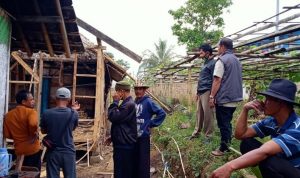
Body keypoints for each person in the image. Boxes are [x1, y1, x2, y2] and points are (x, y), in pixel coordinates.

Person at [211, 79, 300, 178]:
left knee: (269, 160)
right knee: (247, 143)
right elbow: (240, 135)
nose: (264, 102)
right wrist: (245, 109)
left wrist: (229, 166)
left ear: (282, 103)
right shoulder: (271, 121)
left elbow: (264, 151)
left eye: (268, 99)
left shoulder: (297, 128)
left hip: (295, 172)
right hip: (281, 165)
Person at [210, 37, 243, 156]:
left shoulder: (221, 60)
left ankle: (223, 149)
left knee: (223, 124)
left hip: (224, 98)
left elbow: (217, 80)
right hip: (234, 98)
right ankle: (228, 145)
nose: (218, 49)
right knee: (227, 123)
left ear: (223, 47)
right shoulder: (236, 60)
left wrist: (212, 96)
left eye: (218, 46)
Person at [40, 87, 79, 178]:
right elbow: (72, 129)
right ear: (68, 100)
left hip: (53, 151)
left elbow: (43, 131)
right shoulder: (74, 114)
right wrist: (73, 111)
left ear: (55, 98)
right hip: (68, 151)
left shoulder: (47, 113)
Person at [134, 84, 166, 178]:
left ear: (144, 90)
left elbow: (162, 113)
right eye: (136, 89)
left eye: (140, 89)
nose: (138, 91)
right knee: (136, 159)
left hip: (143, 136)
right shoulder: (135, 102)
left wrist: (151, 123)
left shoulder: (148, 102)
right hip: (134, 136)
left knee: (144, 161)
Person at [4, 90, 41, 171]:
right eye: (31, 100)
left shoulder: (8, 115)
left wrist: (17, 137)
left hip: (19, 149)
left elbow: (7, 134)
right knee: (33, 172)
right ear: (24, 102)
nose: (33, 101)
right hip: (32, 149)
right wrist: (33, 133)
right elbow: (33, 124)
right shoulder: (31, 112)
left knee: (21, 173)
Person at [107, 81, 137, 178]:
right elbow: (121, 123)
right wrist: (113, 137)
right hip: (122, 144)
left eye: (116, 91)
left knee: (122, 173)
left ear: (122, 91)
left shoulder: (128, 105)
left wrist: (115, 102)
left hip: (125, 145)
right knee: (121, 171)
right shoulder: (126, 103)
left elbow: (113, 116)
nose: (115, 94)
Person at [190, 43, 216, 140]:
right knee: (199, 113)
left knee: (208, 114)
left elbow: (215, 80)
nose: (200, 54)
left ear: (207, 53)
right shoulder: (205, 63)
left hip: (207, 91)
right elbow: (201, 79)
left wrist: (212, 96)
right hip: (201, 91)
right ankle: (196, 133)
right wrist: (197, 92)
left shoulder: (213, 63)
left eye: (201, 52)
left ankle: (208, 136)